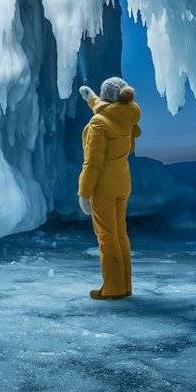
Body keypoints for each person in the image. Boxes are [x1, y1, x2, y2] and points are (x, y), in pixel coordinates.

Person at [77, 76, 142, 300]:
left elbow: (92, 163)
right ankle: (125, 286)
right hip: (122, 184)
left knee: (106, 237)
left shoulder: (98, 124)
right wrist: (91, 98)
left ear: (107, 97)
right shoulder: (127, 116)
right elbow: (108, 110)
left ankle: (113, 288)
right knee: (120, 235)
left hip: (102, 187)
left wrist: (84, 193)